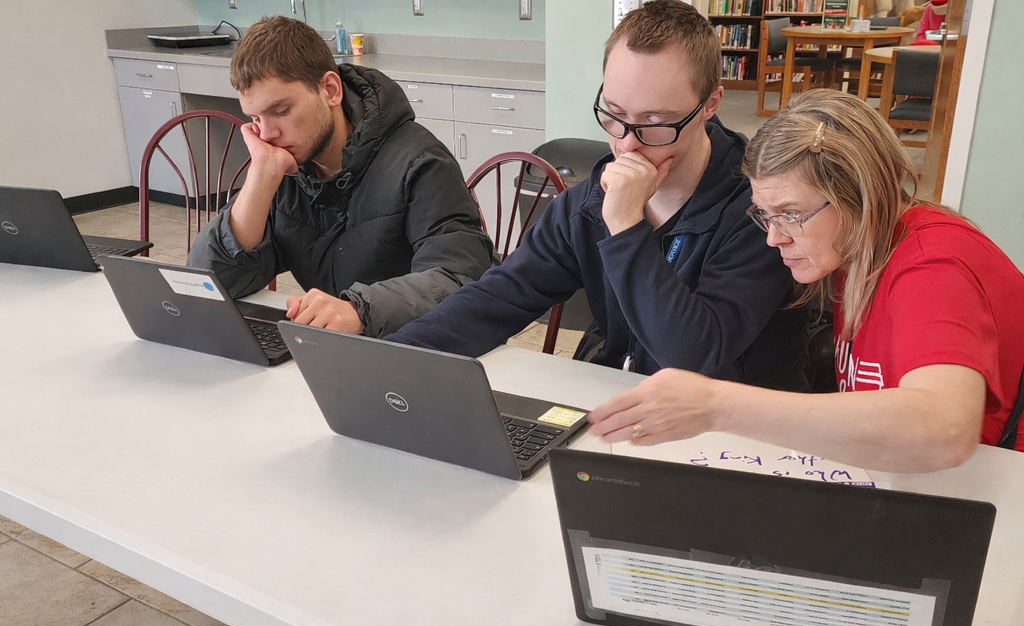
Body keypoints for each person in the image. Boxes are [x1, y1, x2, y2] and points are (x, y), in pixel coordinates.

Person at [589, 89, 1024, 472]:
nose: (774, 238)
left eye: (792, 214)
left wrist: (716, 405)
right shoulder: (854, 258)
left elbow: (943, 430)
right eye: (765, 215)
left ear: (859, 195)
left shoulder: (933, 267)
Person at [388, 0, 808, 390]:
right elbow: (502, 295)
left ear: (711, 104)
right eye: (615, 115)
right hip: (626, 407)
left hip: (735, 434)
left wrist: (626, 227)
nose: (627, 146)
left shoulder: (760, 209)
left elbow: (694, 358)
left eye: (655, 122)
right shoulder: (588, 203)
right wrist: (393, 358)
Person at [187, 16, 494, 337]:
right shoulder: (283, 165)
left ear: (330, 90)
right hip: (337, 350)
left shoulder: (421, 163)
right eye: (254, 118)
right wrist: (260, 177)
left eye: (280, 111)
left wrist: (359, 309)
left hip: (416, 350)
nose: (268, 133)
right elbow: (208, 282)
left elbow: (457, 276)